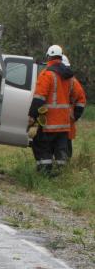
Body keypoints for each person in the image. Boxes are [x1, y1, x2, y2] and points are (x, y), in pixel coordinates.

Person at [29, 45, 84, 174]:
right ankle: (61, 176)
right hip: (64, 125)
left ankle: (44, 174)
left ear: (48, 57)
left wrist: (32, 116)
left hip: (49, 123)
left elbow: (39, 98)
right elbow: (80, 99)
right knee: (61, 153)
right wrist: (74, 116)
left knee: (42, 147)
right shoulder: (70, 78)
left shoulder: (46, 75)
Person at [62, 55, 87, 158]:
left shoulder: (72, 81)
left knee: (66, 144)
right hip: (57, 120)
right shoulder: (52, 78)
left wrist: (75, 115)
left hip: (66, 120)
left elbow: (81, 99)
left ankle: (64, 166)